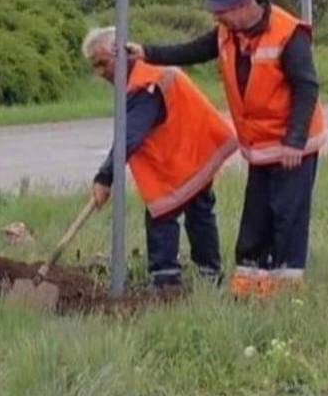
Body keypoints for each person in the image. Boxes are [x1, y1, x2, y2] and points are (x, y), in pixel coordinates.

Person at [129, 0, 326, 296]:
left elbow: (306, 88)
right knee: (256, 217)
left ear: (242, 5)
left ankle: (286, 293)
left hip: (294, 147)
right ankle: (250, 287)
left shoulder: (288, 32)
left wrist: (295, 140)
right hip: (261, 146)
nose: (217, 19)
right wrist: (146, 52)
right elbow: (192, 51)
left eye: (220, 13)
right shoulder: (227, 32)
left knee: (287, 217)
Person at [83, 27, 237, 288]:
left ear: (121, 53)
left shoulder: (146, 83)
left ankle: (167, 281)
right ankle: (207, 275)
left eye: (102, 63)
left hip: (190, 153)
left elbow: (129, 136)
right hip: (189, 153)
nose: (101, 73)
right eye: (95, 67)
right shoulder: (145, 75)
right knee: (196, 210)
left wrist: (104, 177)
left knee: (163, 212)